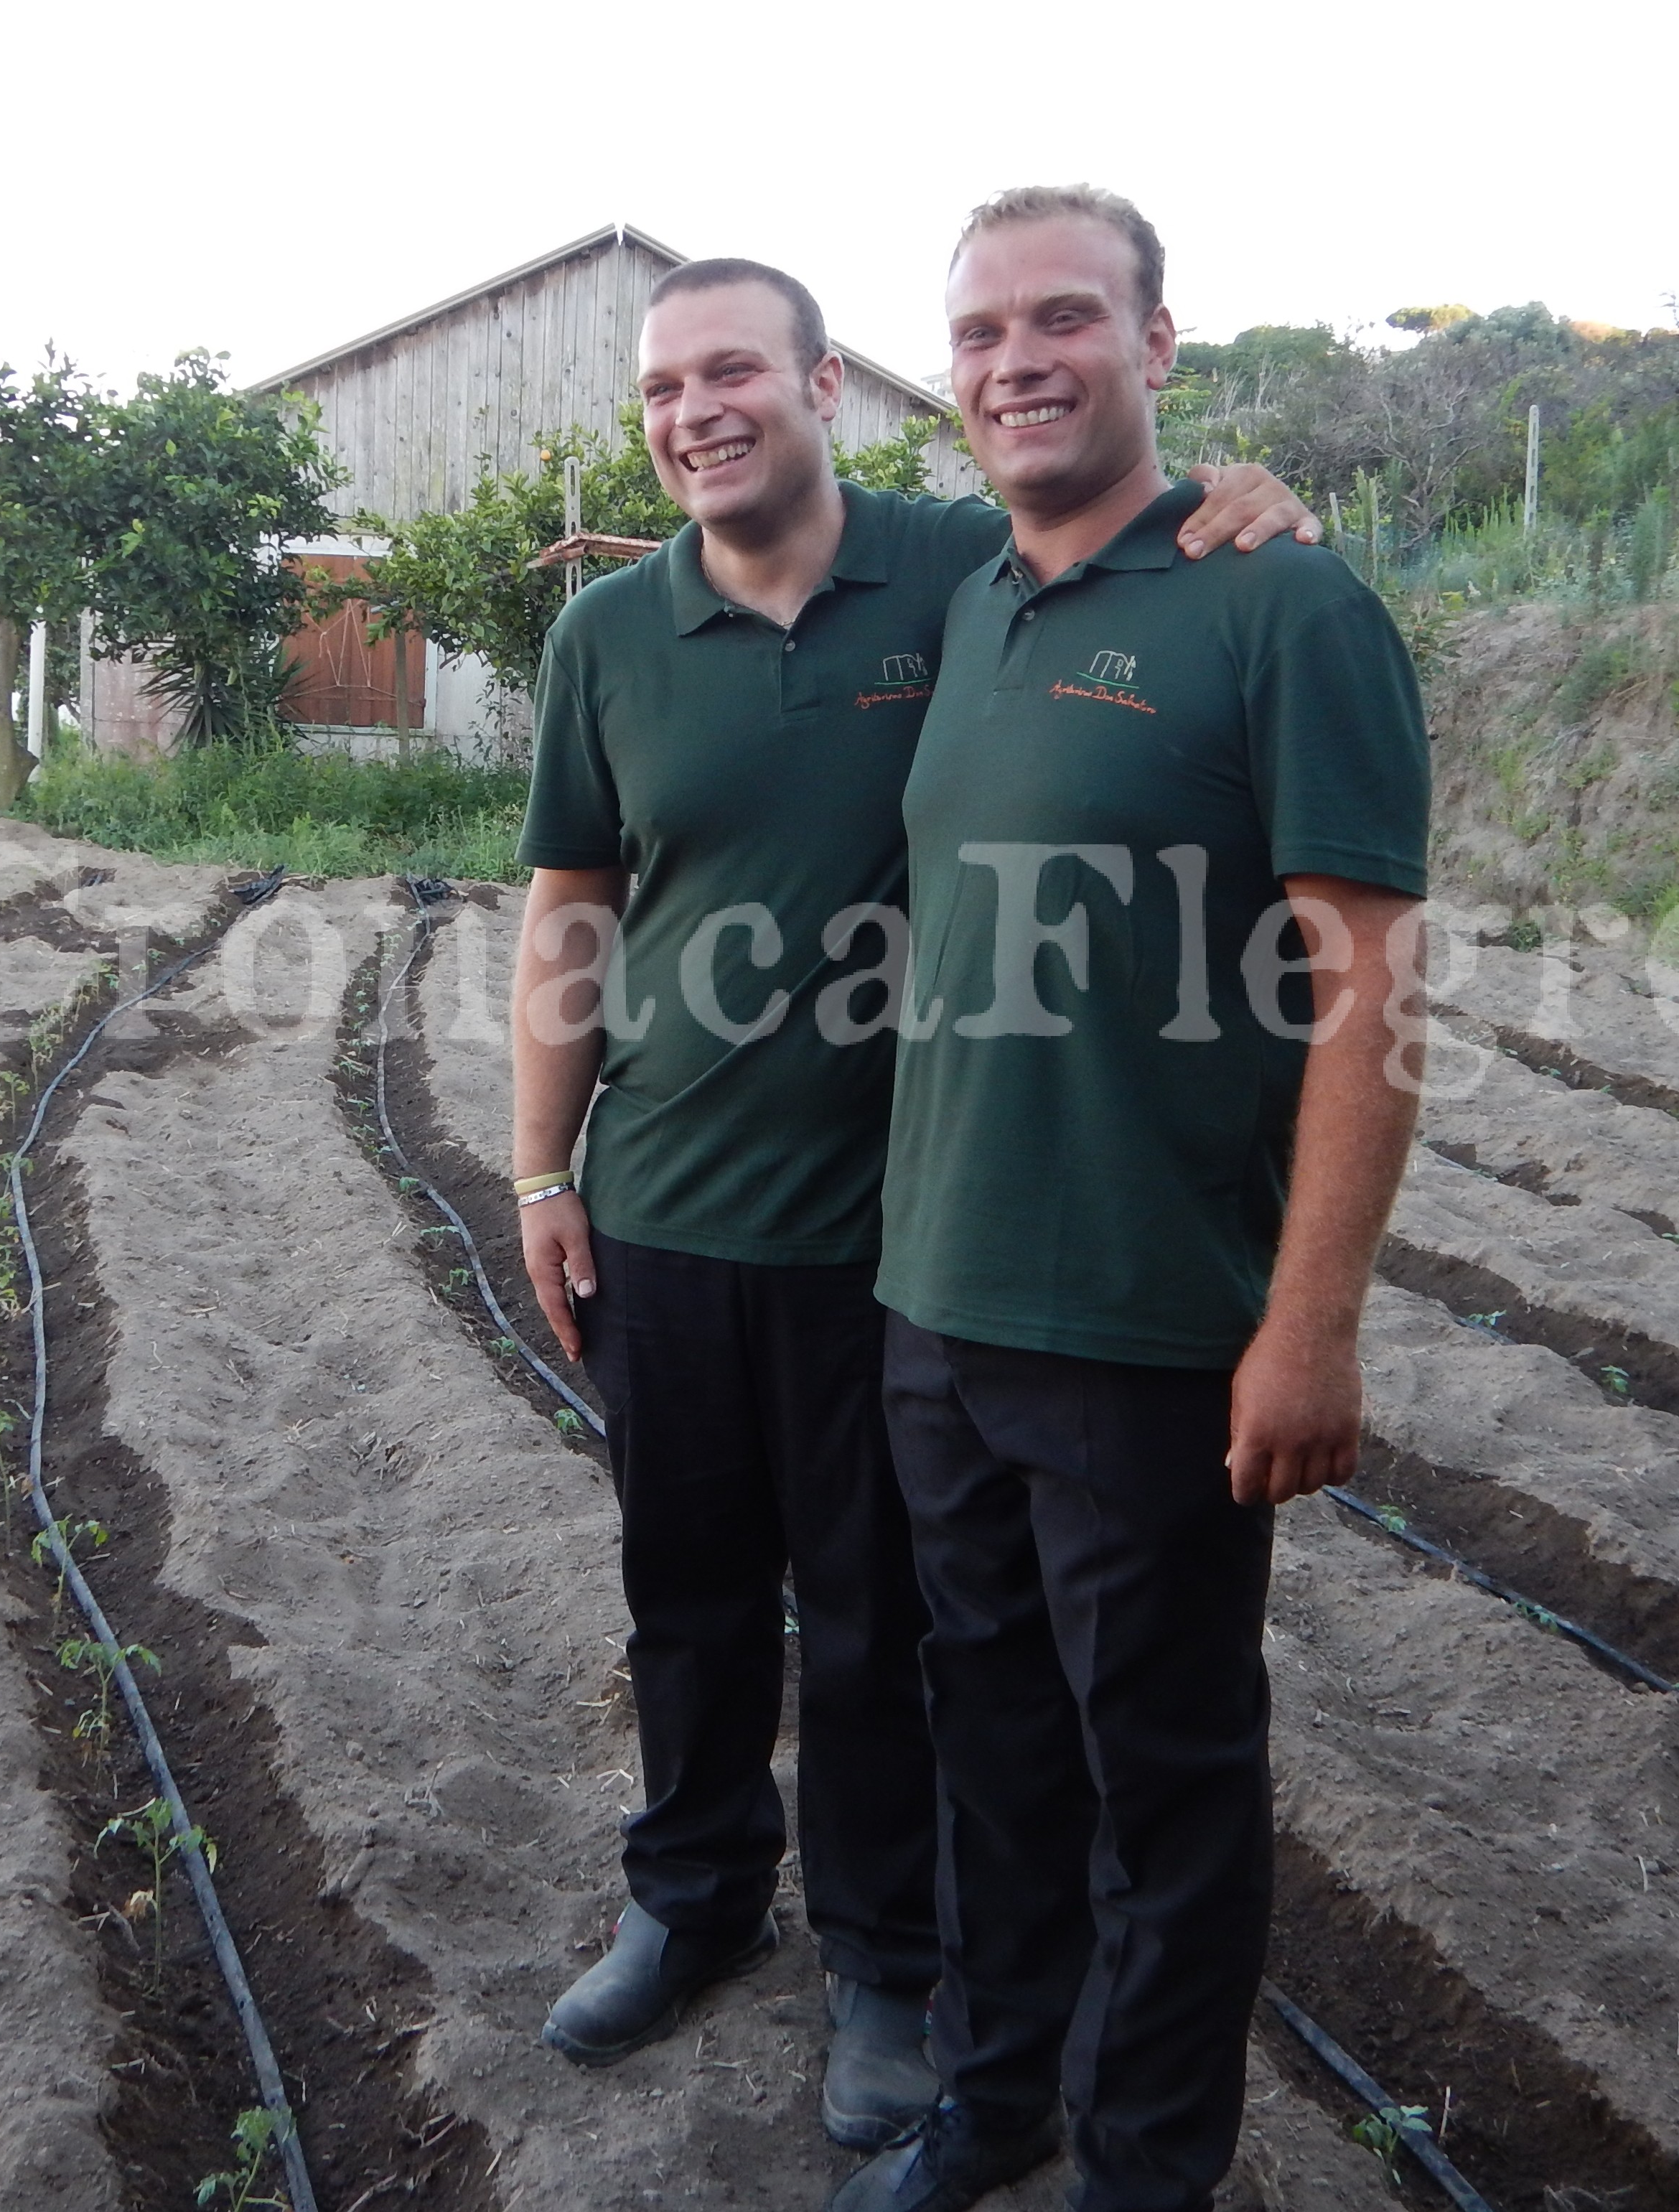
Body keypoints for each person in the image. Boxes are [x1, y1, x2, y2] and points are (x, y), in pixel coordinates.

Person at [510, 254, 1315, 2152]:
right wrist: (543, 1161)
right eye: (660, 392)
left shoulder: (961, 576)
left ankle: (885, 1957)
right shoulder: (610, 636)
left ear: (818, 384)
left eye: (733, 373)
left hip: (900, 1226)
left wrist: (1252, 500)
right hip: (666, 1207)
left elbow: (1133, 536)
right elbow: (569, 905)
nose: (696, 412)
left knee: (881, 1626)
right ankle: (691, 1896)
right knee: (687, 1596)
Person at [838, 187, 1431, 2212]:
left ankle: (1146, 2172)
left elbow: (1371, 994)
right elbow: (760, 530)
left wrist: (1314, 1316)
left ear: (1161, 346)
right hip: (936, 1305)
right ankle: (993, 2108)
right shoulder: (975, 597)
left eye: (1066, 320)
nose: (1019, 362)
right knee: (989, 1744)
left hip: (1151, 1330)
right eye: (983, 332)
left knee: (1162, 1788)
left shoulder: (1286, 607)